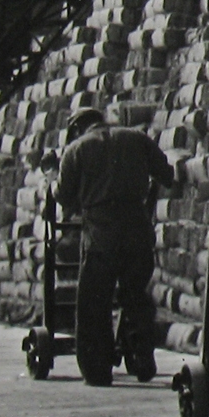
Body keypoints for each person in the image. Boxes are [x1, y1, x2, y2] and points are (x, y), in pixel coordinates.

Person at [56, 107, 175, 386]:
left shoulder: (76, 149)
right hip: (136, 227)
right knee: (136, 296)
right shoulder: (137, 137)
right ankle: (142, 355)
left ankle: (97, 370)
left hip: (101, 232)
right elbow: (166, 175)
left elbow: (63, 197)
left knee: (93, 302)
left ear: (76, 128)